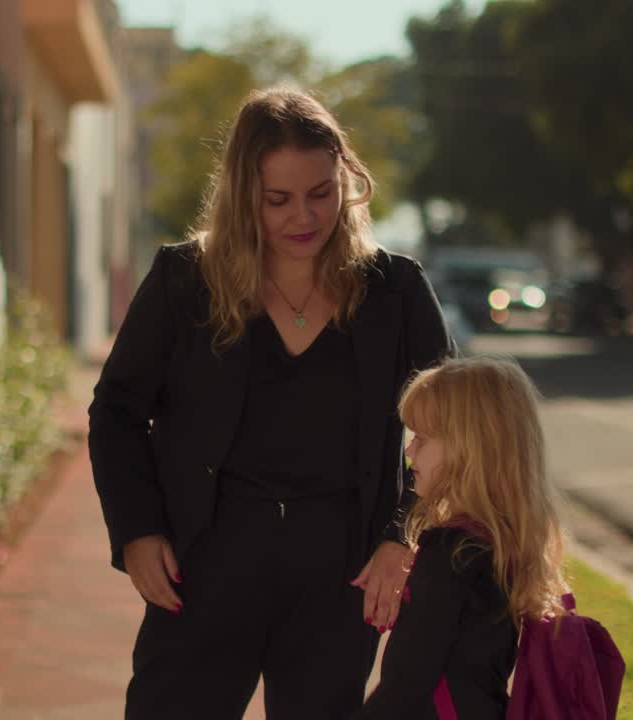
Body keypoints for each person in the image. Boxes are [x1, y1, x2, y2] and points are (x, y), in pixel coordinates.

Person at [89, 86, 455, 719]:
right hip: (203, 567)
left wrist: (403, 537)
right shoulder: (184, 280)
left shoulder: (395, 290)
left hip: (342, 574)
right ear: (241, 197)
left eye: (321, 193)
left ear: (346, 181)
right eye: (277, 200)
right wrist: (138, 531)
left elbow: (459, 427)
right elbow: (116, 410)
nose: (303, 218)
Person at [357, 355, 571, 719]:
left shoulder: (449, 554)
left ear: (471, 449)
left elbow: (405, 687)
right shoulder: (498, 544)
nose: (410, 452)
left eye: (422, 439)